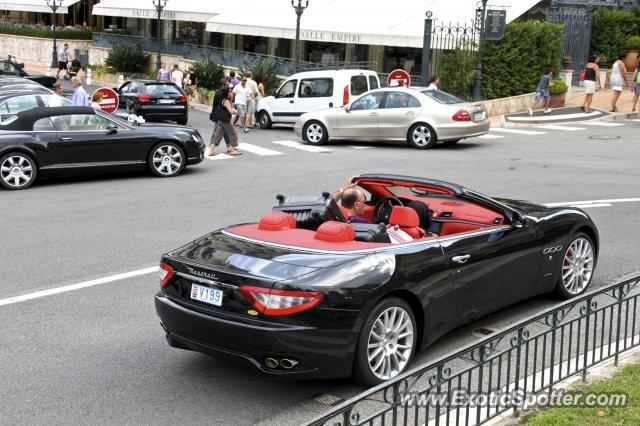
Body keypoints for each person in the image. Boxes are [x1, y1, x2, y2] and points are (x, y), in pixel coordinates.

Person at [208, 87, 241, 156]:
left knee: (218, 135)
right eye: (230, 92)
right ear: (227, 93)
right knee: (233, 134)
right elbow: (231, 111)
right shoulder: (226, 101)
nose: (231, 93)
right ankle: (232, 149)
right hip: (225, 120)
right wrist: (236, 111)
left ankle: (211, 150)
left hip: (220, 120)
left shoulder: (222, 100)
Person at [209, 78, 231, 152]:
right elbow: (222, 106)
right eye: (227, 85)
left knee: (223, 131)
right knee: (217, 131)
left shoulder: (221, 92)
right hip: (218, 115)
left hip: (219, 115)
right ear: (222, 85)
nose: (228, 87)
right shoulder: (219, 93)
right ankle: (212, 147)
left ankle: (228, 146)